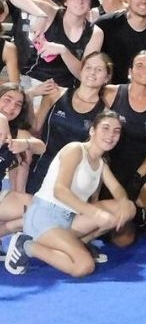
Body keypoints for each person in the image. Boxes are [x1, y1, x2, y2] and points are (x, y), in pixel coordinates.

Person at [4, 110, 135, 277]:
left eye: (116, 131)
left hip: (70, 218)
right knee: (84, 266)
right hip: (44, 216)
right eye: (105, 128)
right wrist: (95, 213)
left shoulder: (101, 164)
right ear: (92, 131)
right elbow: (60, 191)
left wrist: (124, 202)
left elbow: (117, 189)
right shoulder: (75, 149)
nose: (111, 135)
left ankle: (79, 244)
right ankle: (26, 246)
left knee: (128, 208)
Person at [101, 51, 146, 245]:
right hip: (110, 168)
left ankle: (144, 211)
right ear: (130, 72)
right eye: (139, 65)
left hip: (141, 165)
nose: (145, 70)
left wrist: (138, 176)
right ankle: (135, 208)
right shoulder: (111, 93)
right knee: (123, 241)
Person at [26, 52, 112, 194]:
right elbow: (35, 128)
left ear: (107, 77)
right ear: (81, 71)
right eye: (88, 67)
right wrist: (29, 95)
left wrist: (93, 196)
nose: (92, 72)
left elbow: (97, 157)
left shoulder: (104, 114)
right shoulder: (55, 94)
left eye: (99, 69)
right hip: (42, 167)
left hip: (73, 178)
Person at [6, 0, 105, 89]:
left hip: (67, 88)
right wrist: (40, 15)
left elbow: (84, 75)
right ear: (65, 1)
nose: (80, 1)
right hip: (34, 80)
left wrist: (63, 51)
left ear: (90, 5)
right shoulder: (51, 12)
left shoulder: (95, 33)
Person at [0, 85, 44, 241]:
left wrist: (25, 143)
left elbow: (41, 147)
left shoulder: (16, 132)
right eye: (7, 100)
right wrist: (1, 118)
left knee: (41, 210)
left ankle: (7, 233)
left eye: (18, 104)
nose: (12, 107)